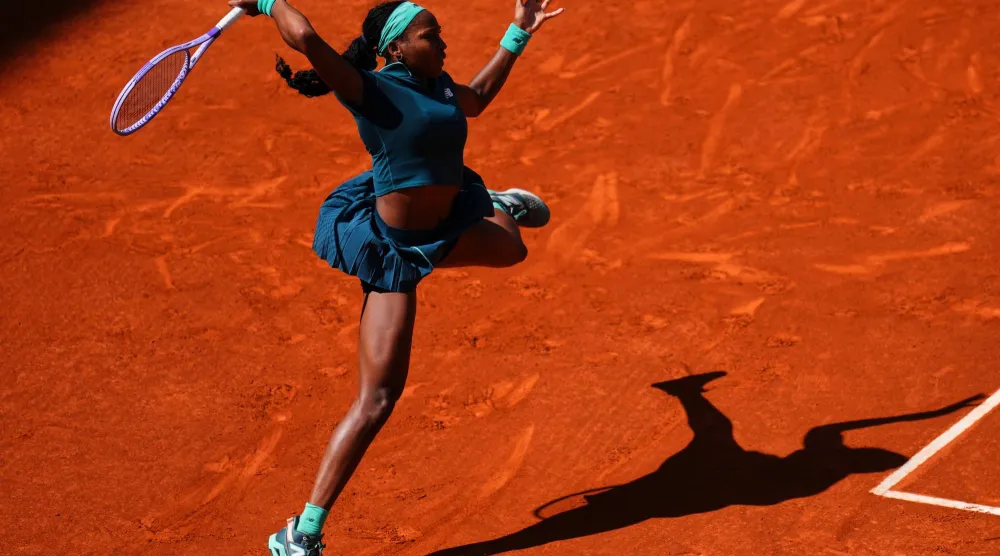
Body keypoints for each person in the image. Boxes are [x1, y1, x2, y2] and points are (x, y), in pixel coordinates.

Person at [224, 0, 564, 553]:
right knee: (378, 399)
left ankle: (489, 201)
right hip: (395, 251)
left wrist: (518, 32)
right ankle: (301, 532)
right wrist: (266, 2)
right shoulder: (371, 91)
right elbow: (306, 39)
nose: (444, 43)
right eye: (432, 36)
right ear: (396, 49)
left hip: (446, 224)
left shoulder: (442, 86)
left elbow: (474, 100)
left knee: (513, 249)